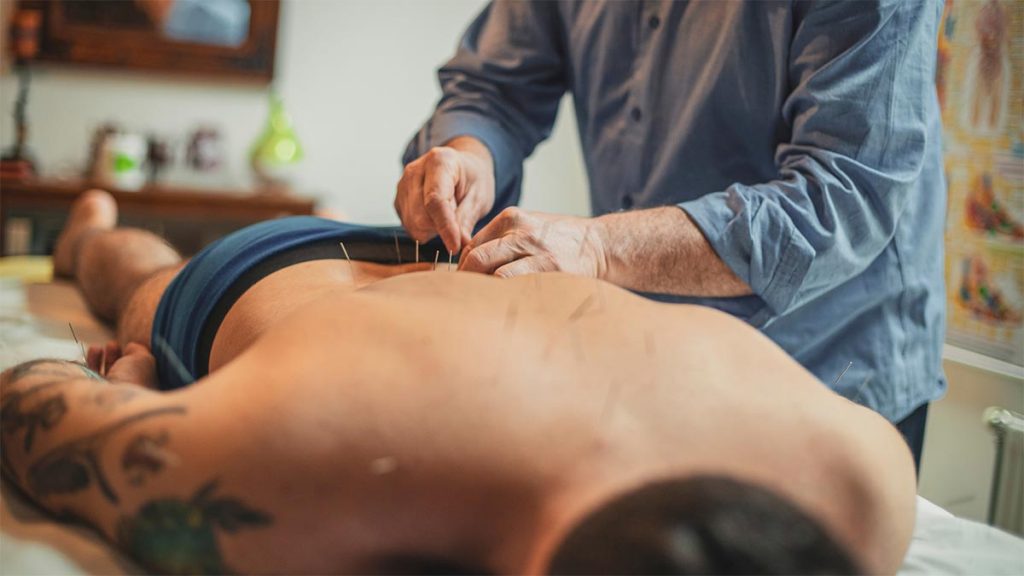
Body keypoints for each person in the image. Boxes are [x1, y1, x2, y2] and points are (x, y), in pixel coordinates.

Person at [1, 190, 916, 574]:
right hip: (284, 277)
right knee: (139, 283)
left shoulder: (865, 477)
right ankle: (87, 233)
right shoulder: (313, 468)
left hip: (477, 267)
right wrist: (130, 393)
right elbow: (27, 408)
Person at [396, 1, 947, 470]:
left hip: (825, 365)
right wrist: (473, 149)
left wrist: (597, 247)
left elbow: (839, 199)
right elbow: (494, 85)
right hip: (651, 359)